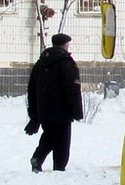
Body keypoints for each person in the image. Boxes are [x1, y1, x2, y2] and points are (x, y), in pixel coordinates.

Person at [26, 33, 83, 172]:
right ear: (64, 45)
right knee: (62, 141)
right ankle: (59, 168)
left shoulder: (40, 63)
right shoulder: (67, 63)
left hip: (43, 110)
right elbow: (72, 89)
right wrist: (77, 111)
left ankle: (37, 158)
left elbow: (31, 88)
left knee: (49, 136)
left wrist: (34, 113)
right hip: (62, 111)